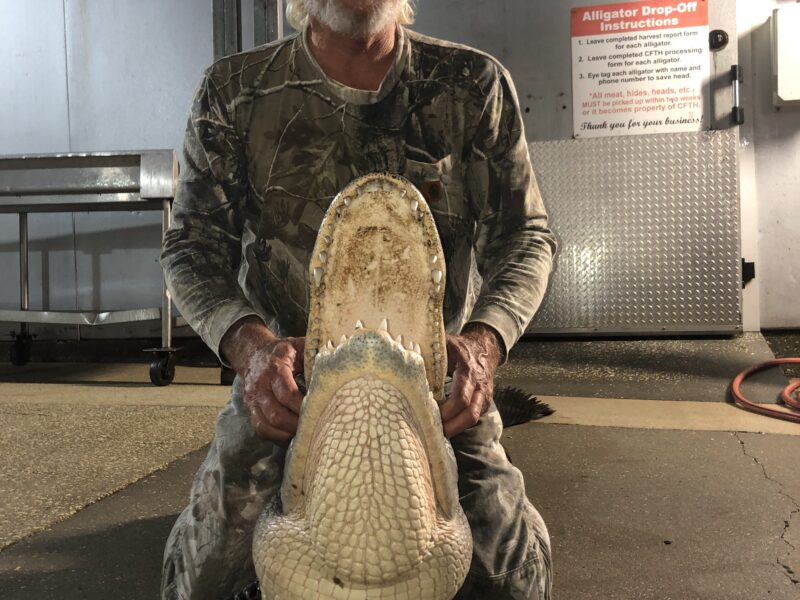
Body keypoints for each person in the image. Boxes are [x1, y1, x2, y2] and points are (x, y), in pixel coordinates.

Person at [160, 0, 557, 598]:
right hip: (287, 388)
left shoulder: (473, 84)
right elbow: (191, 247)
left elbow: (524, 238)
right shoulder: (234, 93)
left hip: (432, 383)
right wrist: (254, 355)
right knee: (200, 585)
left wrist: (481, 348)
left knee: (514, 583)